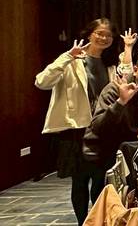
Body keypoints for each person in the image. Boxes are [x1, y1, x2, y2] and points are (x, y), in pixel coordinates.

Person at [35, 18, 121, 225]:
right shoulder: (72, 59)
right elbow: (42, 82)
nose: (104, 38)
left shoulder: (111, 64)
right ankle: (83, 222)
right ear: (89, 34)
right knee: (80, 180)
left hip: (103, 128)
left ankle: (98, 221)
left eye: (108, 35)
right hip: (77, 130)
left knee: (101, 181)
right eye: (99, 33)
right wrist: (67, 57)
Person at [82, 51, 138, 189]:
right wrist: (121, 102)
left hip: (135, 148)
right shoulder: (115, 88)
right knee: (104, 193)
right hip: (104, 147)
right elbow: (98, 127)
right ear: (135, 70)